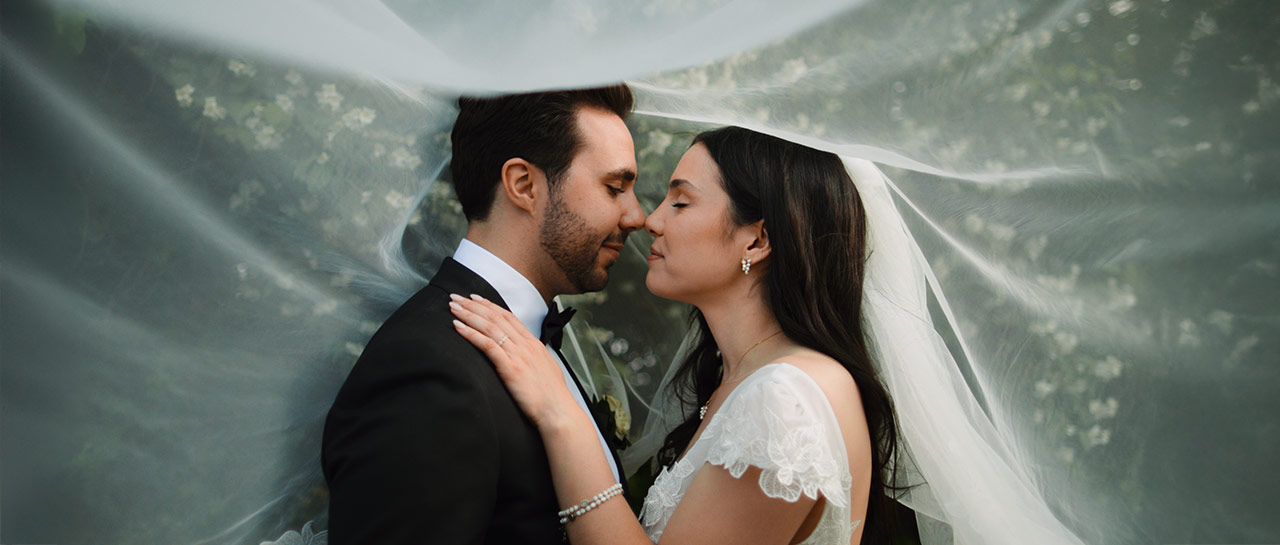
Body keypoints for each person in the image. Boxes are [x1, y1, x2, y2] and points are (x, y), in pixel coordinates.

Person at [449, 126, 903, 544]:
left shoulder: (785, 400)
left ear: (757, 241)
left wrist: (561, 418)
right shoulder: (748, 378)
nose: (651, 220)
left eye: (681, 203)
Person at [321, 85, 645, 545]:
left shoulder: (529, 338)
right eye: (614, 187)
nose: (635, 216)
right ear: (523, 184)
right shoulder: (429, 368)